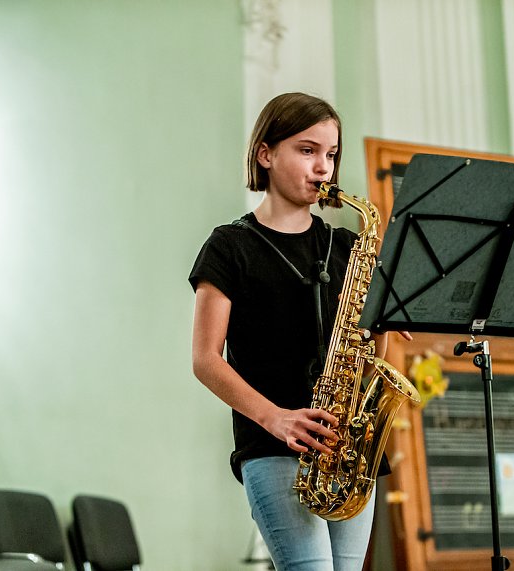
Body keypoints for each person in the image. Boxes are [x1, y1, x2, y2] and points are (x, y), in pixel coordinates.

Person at [189, 92, 404, 570]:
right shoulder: (229, 247)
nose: (323, 168)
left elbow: (370, 356)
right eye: (307, 151)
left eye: (331, 154)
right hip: (273, 446)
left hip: (346, 449)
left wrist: (381, 322)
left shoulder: (349, 245)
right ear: (266, 154)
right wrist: (275, 418)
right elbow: (205, 359)